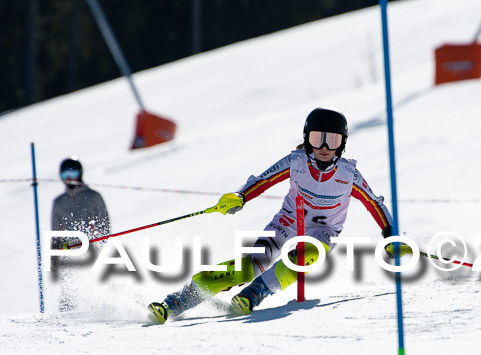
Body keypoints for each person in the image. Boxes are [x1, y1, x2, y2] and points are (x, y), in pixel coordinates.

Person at [148, 107, 406, 324]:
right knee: (245, 268)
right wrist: (240, 197)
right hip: (285, 225)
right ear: (307, 139)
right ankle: (178, 301)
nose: (325, 147)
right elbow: (262, 180)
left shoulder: (349, 175)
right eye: (318, 139)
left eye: (333, 140)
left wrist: (390, 234)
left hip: (322, 233)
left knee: (307, 254)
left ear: (343, 143)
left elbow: (375, 204)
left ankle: (256, 293)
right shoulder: (296, 162)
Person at [51, 156, 111, 309]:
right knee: (69, 292)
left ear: (80, 173)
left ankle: (103, 309)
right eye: (65, 175)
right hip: (69, 253)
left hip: (92, 251)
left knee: (96, 286)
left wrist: (99, 243)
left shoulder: (93, 196)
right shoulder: (59, 202)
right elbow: (55, 230)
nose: (69, 178)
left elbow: (105, 226)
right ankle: (66, 317)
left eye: (73, 173)